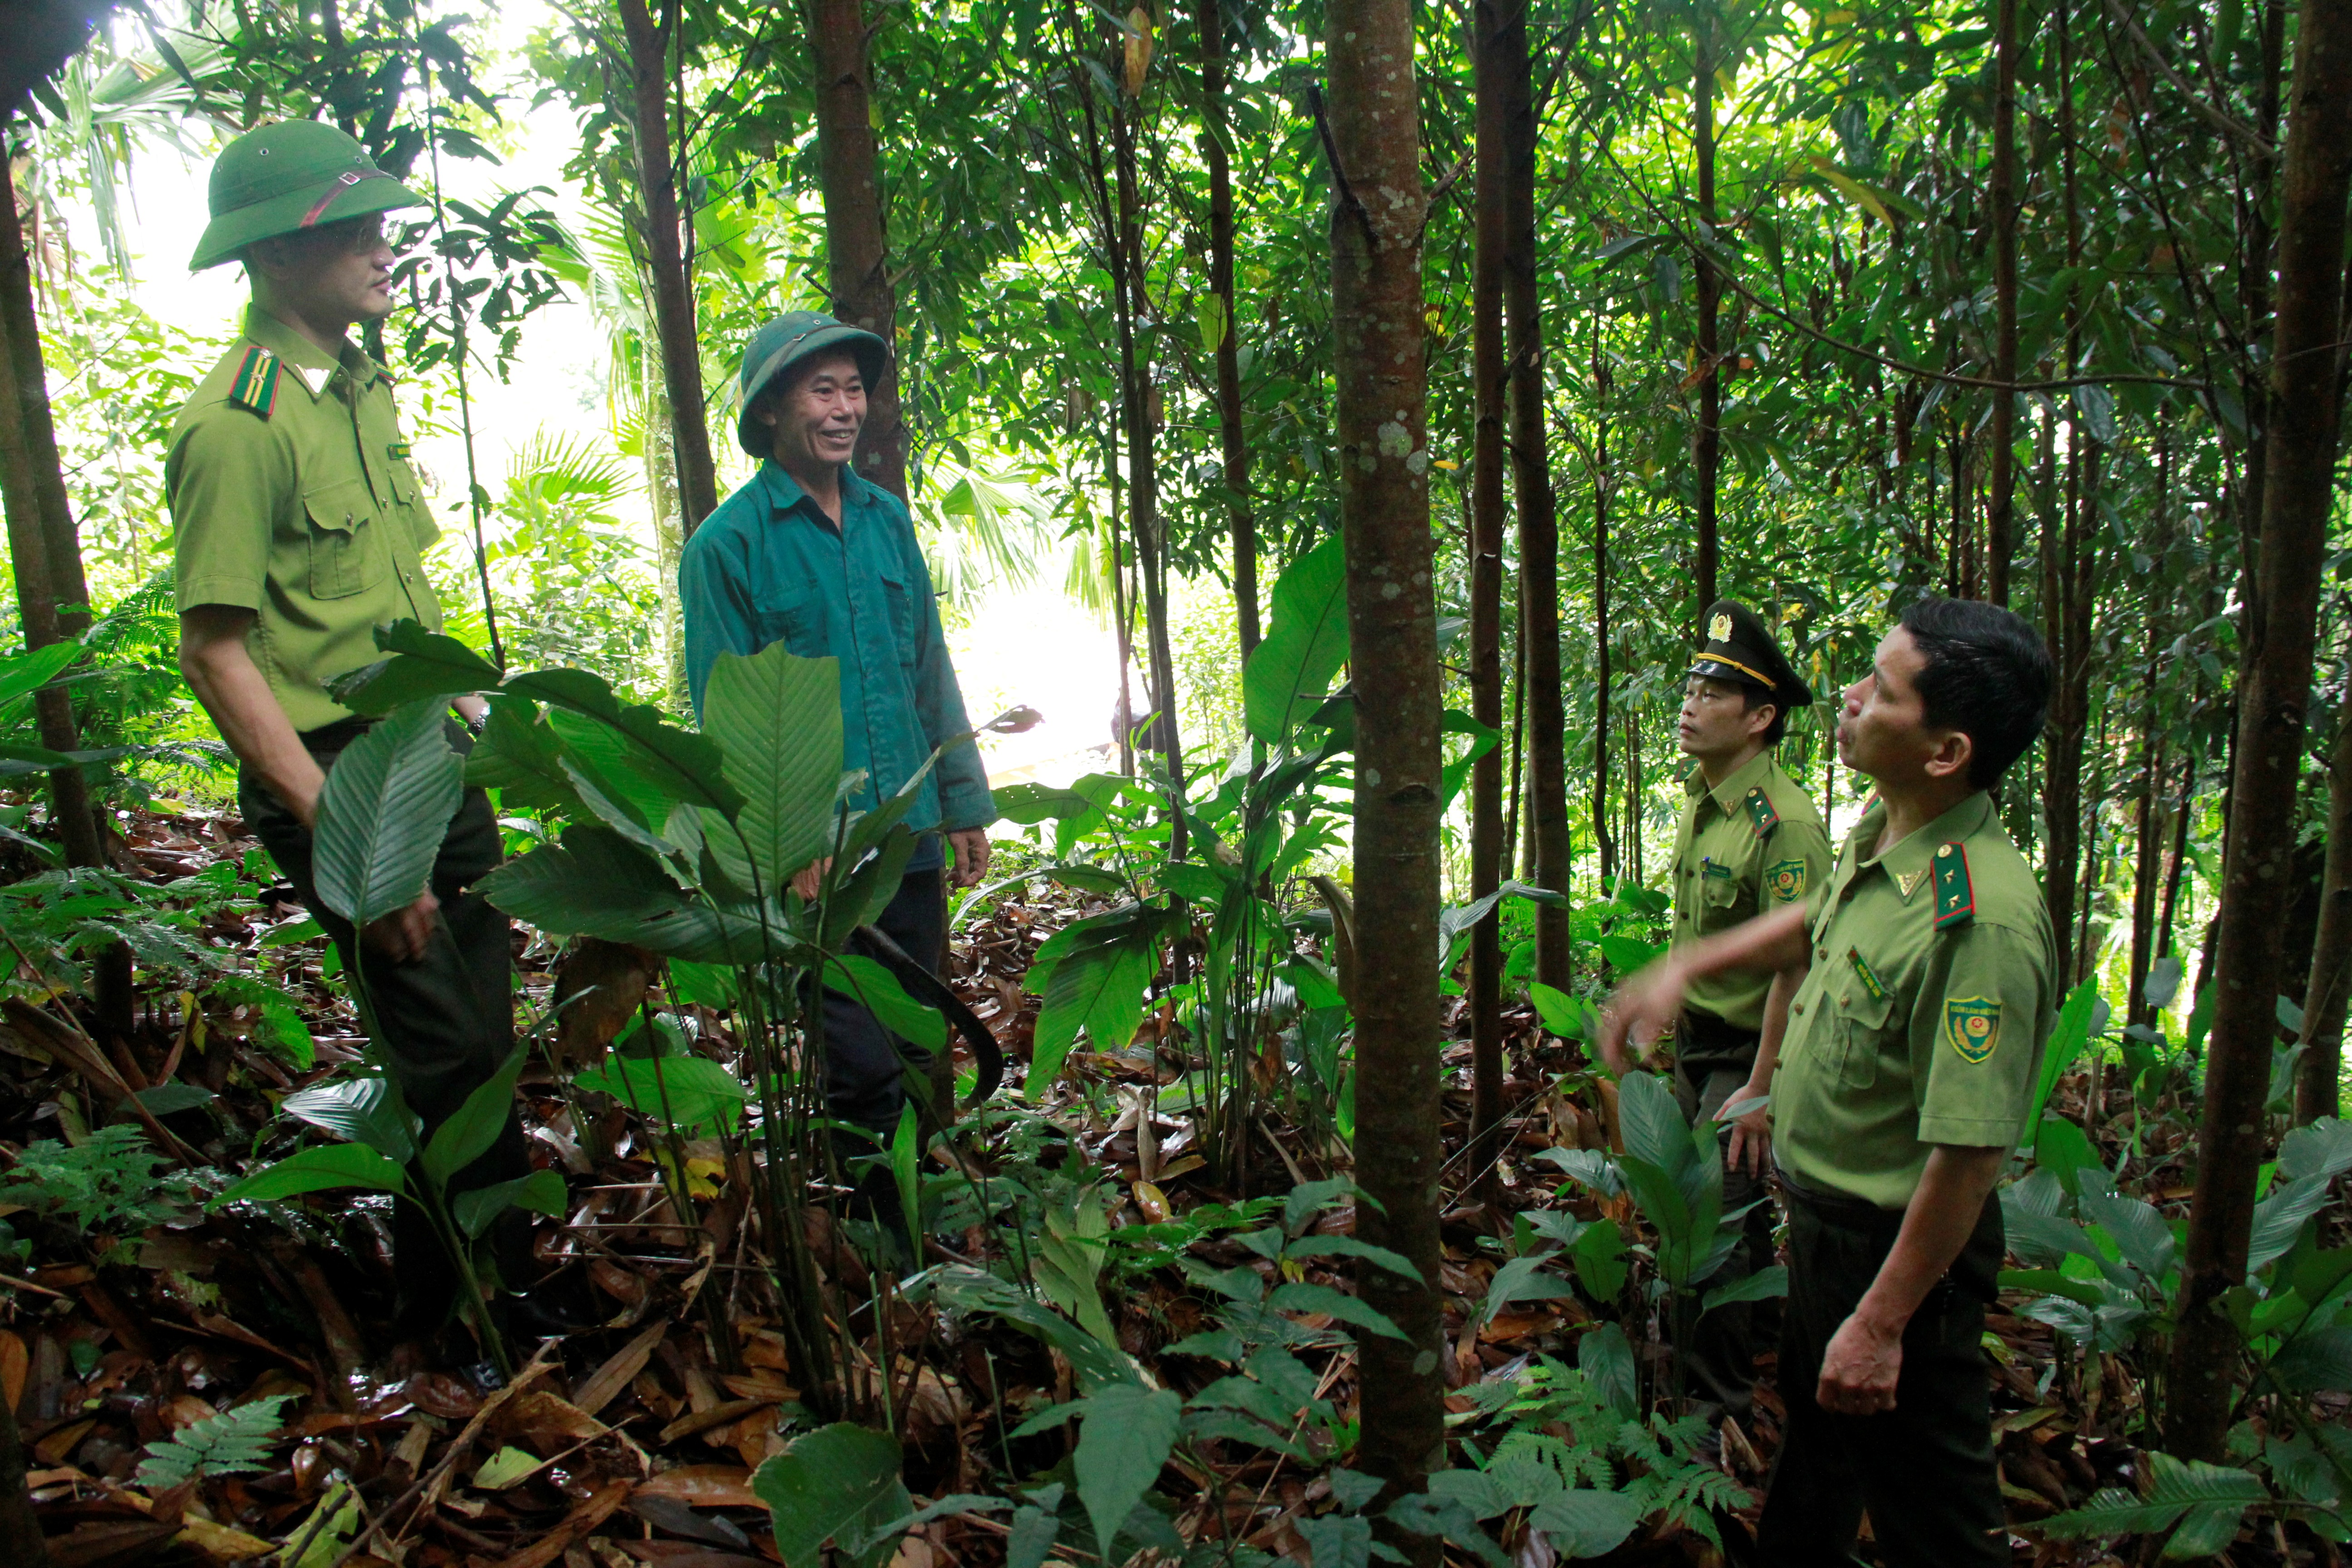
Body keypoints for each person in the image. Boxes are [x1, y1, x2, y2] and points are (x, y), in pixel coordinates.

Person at [168, 121, 564, 1345]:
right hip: (344, 778)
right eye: (353, 230)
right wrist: (353, 847)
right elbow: (215, 651)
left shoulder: (358, 386)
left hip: (430, 750)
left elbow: (391, 597)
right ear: (277, 254)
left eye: (381, 223)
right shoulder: (236, 424)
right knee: (442, 1054)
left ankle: (498, 1290)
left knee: (484, 1039)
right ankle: (454, 1327)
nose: (383, 248)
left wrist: (474, 714)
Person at [1601, 597, 2056, 1568]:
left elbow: (1970, 1154)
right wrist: (1684, 968)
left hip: (1898, 1258)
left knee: (1938, 1520)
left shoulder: (1978, 922)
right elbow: (1812, 925)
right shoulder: (1888, 832)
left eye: (1881, 690)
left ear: (1947, 752)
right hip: (1826, 1230)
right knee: (1816, 1465)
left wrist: (1881, 1325)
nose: (1848, 698)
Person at [678, 311, 995, 1161]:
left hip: (910, 834)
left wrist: (963, 804)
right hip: (820, 856)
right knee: (858, 1066)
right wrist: (786, 844)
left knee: (919, 1041)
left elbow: (927, 667)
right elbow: (725, 717)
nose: (845, 409)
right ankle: (873, 1226)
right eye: (823, 390)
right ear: (771, 409)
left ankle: (928, 1209)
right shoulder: (726, 547)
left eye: (854, 389)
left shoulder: (887, 520)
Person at [1602, 601, 1831, 1430]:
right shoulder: (1705, 800)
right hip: (1702, 1041)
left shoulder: (1786, 824)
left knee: (1714, 1219)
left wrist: (1762, 1086)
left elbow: (1797, 962)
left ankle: (1715, 1408)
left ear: (1761, 717)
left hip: (1753, 1048)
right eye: (1692, 686)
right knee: (1728, 1209)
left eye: (1714, 692)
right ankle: (1754, 1339)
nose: (1691, 704)